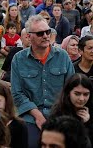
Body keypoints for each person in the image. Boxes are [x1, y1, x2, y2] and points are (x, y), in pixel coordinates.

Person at [11, 15, 75, 148]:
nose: (46, 36)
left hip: (59, 115)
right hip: (31, 118)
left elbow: (71, 89)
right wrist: (38, 115)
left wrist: (60, 115)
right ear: (29, 37)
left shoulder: (62, 56)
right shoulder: (18, 59)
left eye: (48, 31)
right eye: (40, 33)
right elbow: (17, 93)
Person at [50, 73, 93, 144]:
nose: (81, 99)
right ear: (68, 93)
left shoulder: (91, 109)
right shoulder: (58, 112)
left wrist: (87, 123)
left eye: (86, 94)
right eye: (77, 94)